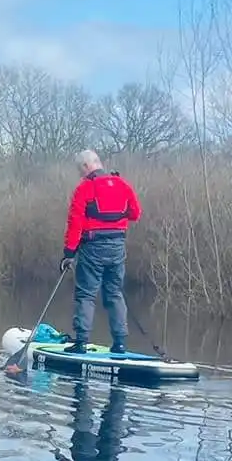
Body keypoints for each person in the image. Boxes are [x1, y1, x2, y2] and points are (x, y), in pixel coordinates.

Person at [61, 148, 141, 355]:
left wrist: (68, 253)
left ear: (86, 166)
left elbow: (75, 223)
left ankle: (81, 343)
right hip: (117, 247)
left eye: (80, 170)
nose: (81, 174)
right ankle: (120, 344)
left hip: (92, 248)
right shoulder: (123, 184)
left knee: (86, 294)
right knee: (114, 293)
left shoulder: (85, 188)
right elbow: (135, 213)